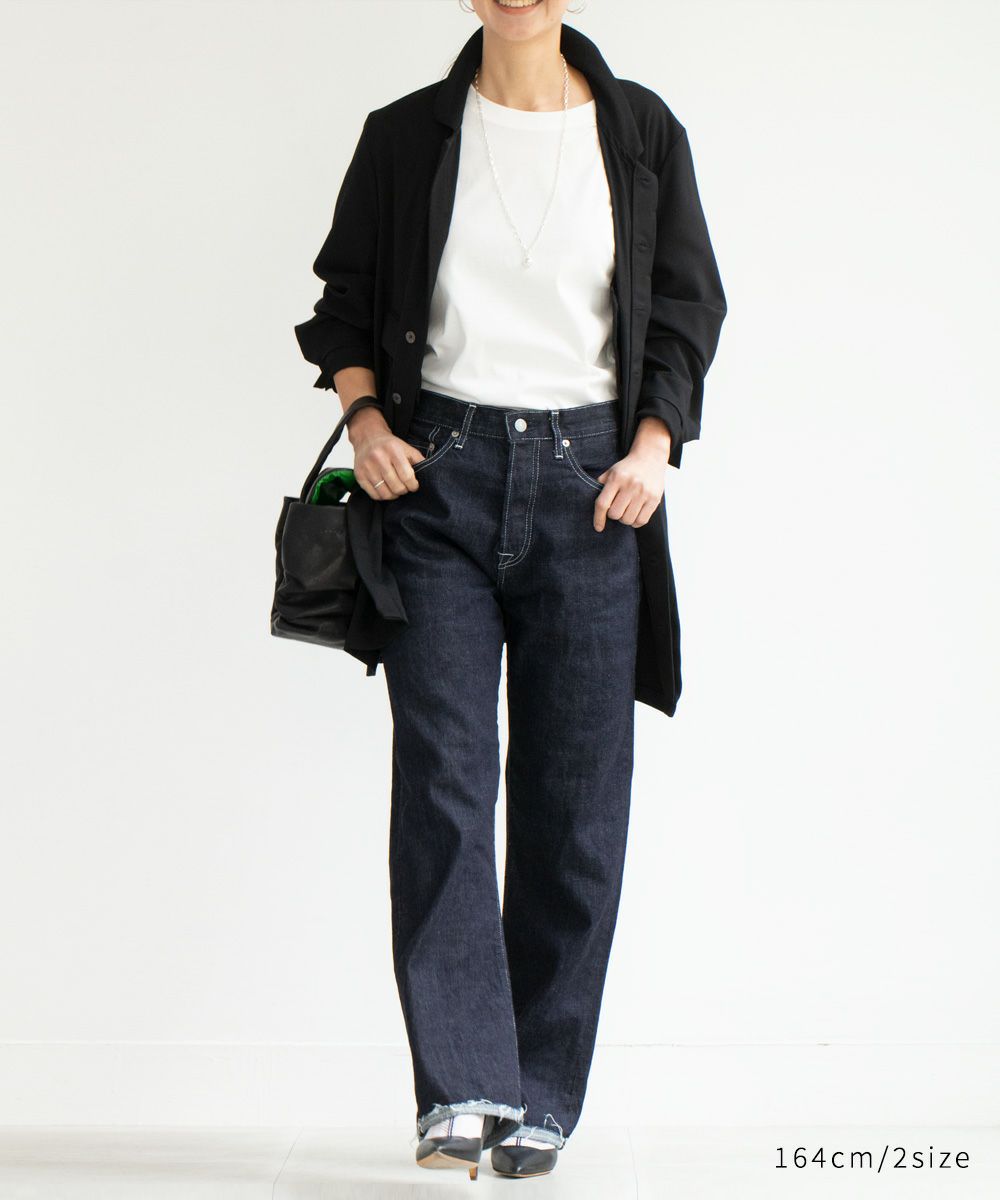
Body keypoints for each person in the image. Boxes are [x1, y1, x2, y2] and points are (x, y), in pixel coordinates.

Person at [294, 0, 727, 1180]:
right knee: (443, 782)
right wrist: (367, 423)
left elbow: (687, 306)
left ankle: (538, 1091)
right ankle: (462, 1084)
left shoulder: (640, 132)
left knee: (573, 804)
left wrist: (653, 448)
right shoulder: (405, 134)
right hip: (436, 479)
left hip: (593, 491)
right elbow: (344, 300)